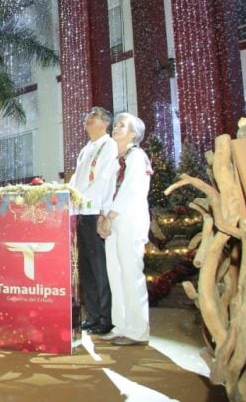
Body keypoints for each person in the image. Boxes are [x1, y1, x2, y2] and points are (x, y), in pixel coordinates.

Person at [98, 112, 153, 346]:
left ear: (133, 134)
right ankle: (120, 325)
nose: (116, 128)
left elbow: (131, 190)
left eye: (123, 125)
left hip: (129, 220)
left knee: (130, 274)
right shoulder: (114, 160)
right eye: (117, 124)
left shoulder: (137, 156)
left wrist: (110, 216)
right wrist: (103, 217)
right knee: (115, 274)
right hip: (112, 221)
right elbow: (106, 191)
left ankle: (137, 330)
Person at [68, 107, 118, 336]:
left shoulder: (109, 146)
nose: (88, 119)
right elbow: (77, 181)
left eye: (93, 117)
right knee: (86, 267)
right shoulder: (86, 148)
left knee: (99, 267)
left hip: (95, 211)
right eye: (88, 116)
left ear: (105, 123)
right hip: (80, 211)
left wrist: (99, 211)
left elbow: (103, 182)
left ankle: (107, 318)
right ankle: (93, 315)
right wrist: (66, 194)